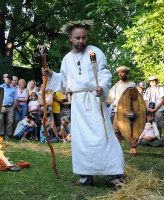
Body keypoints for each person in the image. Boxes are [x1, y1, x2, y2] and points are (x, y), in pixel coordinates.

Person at [42, 20, 125, 188]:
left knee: (104, 137)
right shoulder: (66, 59)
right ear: (70, 39)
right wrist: (51, 75)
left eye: (84, 37)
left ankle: (115, 177)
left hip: (95, 101)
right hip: (79, 104)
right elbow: (64, 82)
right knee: (81, 140)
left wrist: (102, 86)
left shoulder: (95, 52)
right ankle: (86, 176)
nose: (81, 41)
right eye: (77, 38)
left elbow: (104, 73)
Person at [107, 65, 138, 155]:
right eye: (119, 72)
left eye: (122, 72)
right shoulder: (116, 85)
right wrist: (103, 99)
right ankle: (117, 147)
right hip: (117, 110)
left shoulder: (131, 84)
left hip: (129, 110)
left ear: (127, 73)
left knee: (130, 130)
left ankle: (133, 147)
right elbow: (111, 97)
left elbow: (136, 98)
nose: (120, 74)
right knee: (116, 129)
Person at [0, 75, 18, 139]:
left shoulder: (13, 89)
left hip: (10, 107)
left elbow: (15, 99)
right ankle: (0, 134)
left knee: (10, 121)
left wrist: (13, 108)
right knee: (0, 120)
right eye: (7, 79)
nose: (9, 80)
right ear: (4, 79)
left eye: (10, 80)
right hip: (1, 107)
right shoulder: (0, 87)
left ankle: (7, 135)